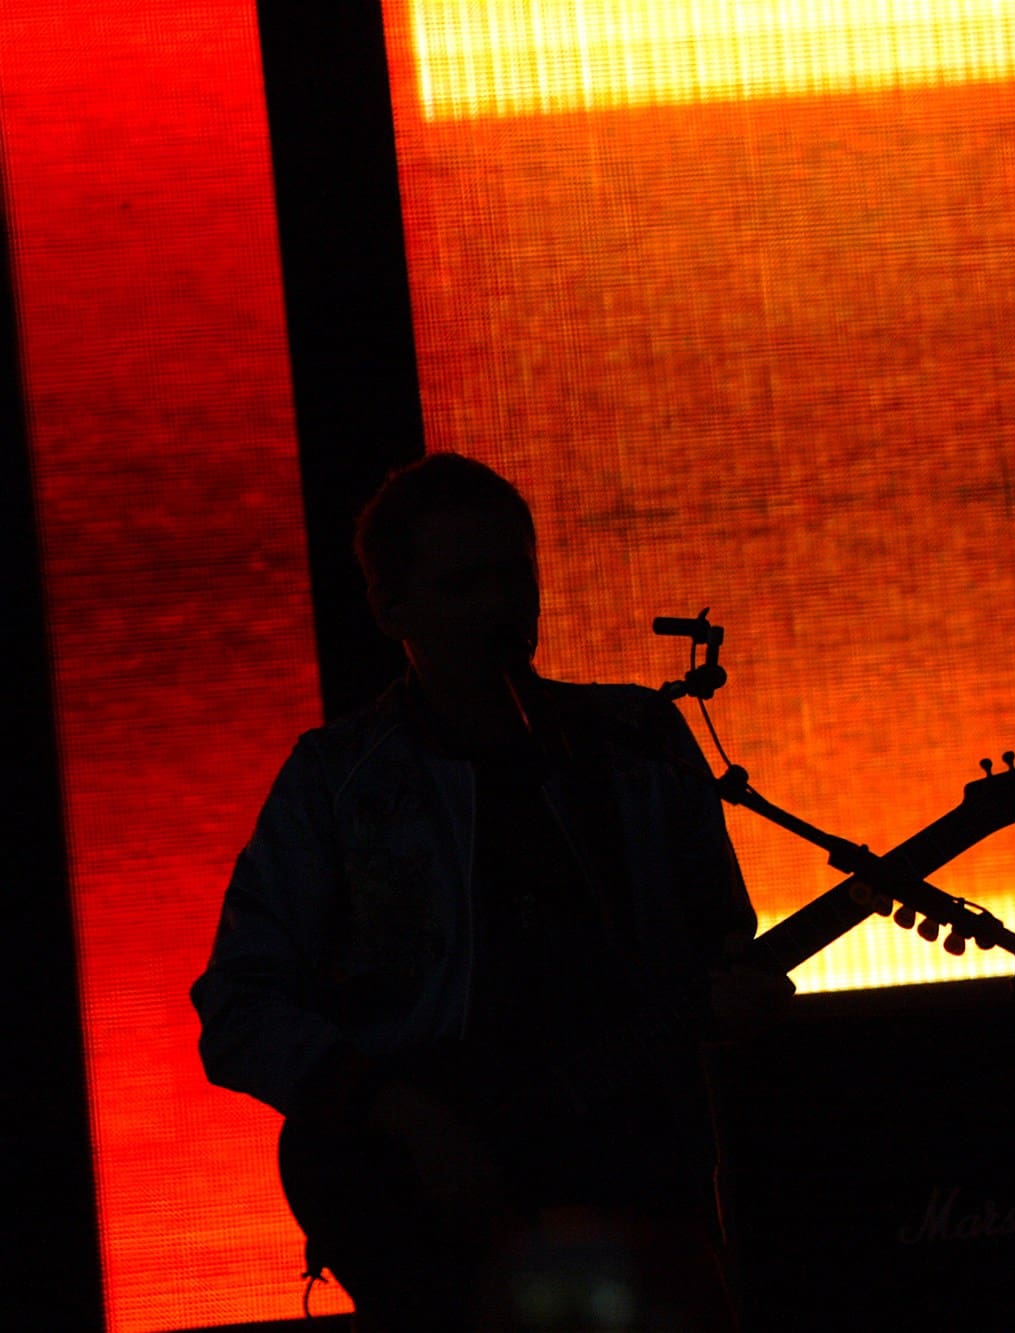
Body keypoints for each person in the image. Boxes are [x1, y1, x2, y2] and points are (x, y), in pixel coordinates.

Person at [191, 452, 784, 1330]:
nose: (500, 606)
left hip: (640, 1187)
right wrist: (402, 1114)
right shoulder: (335, 782)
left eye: (514, 577)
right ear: (389, 608)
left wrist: (737, 1000)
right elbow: (239, 1005)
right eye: (463, 584)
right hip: (447, 1227)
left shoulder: (636, 741)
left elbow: (717, 945)